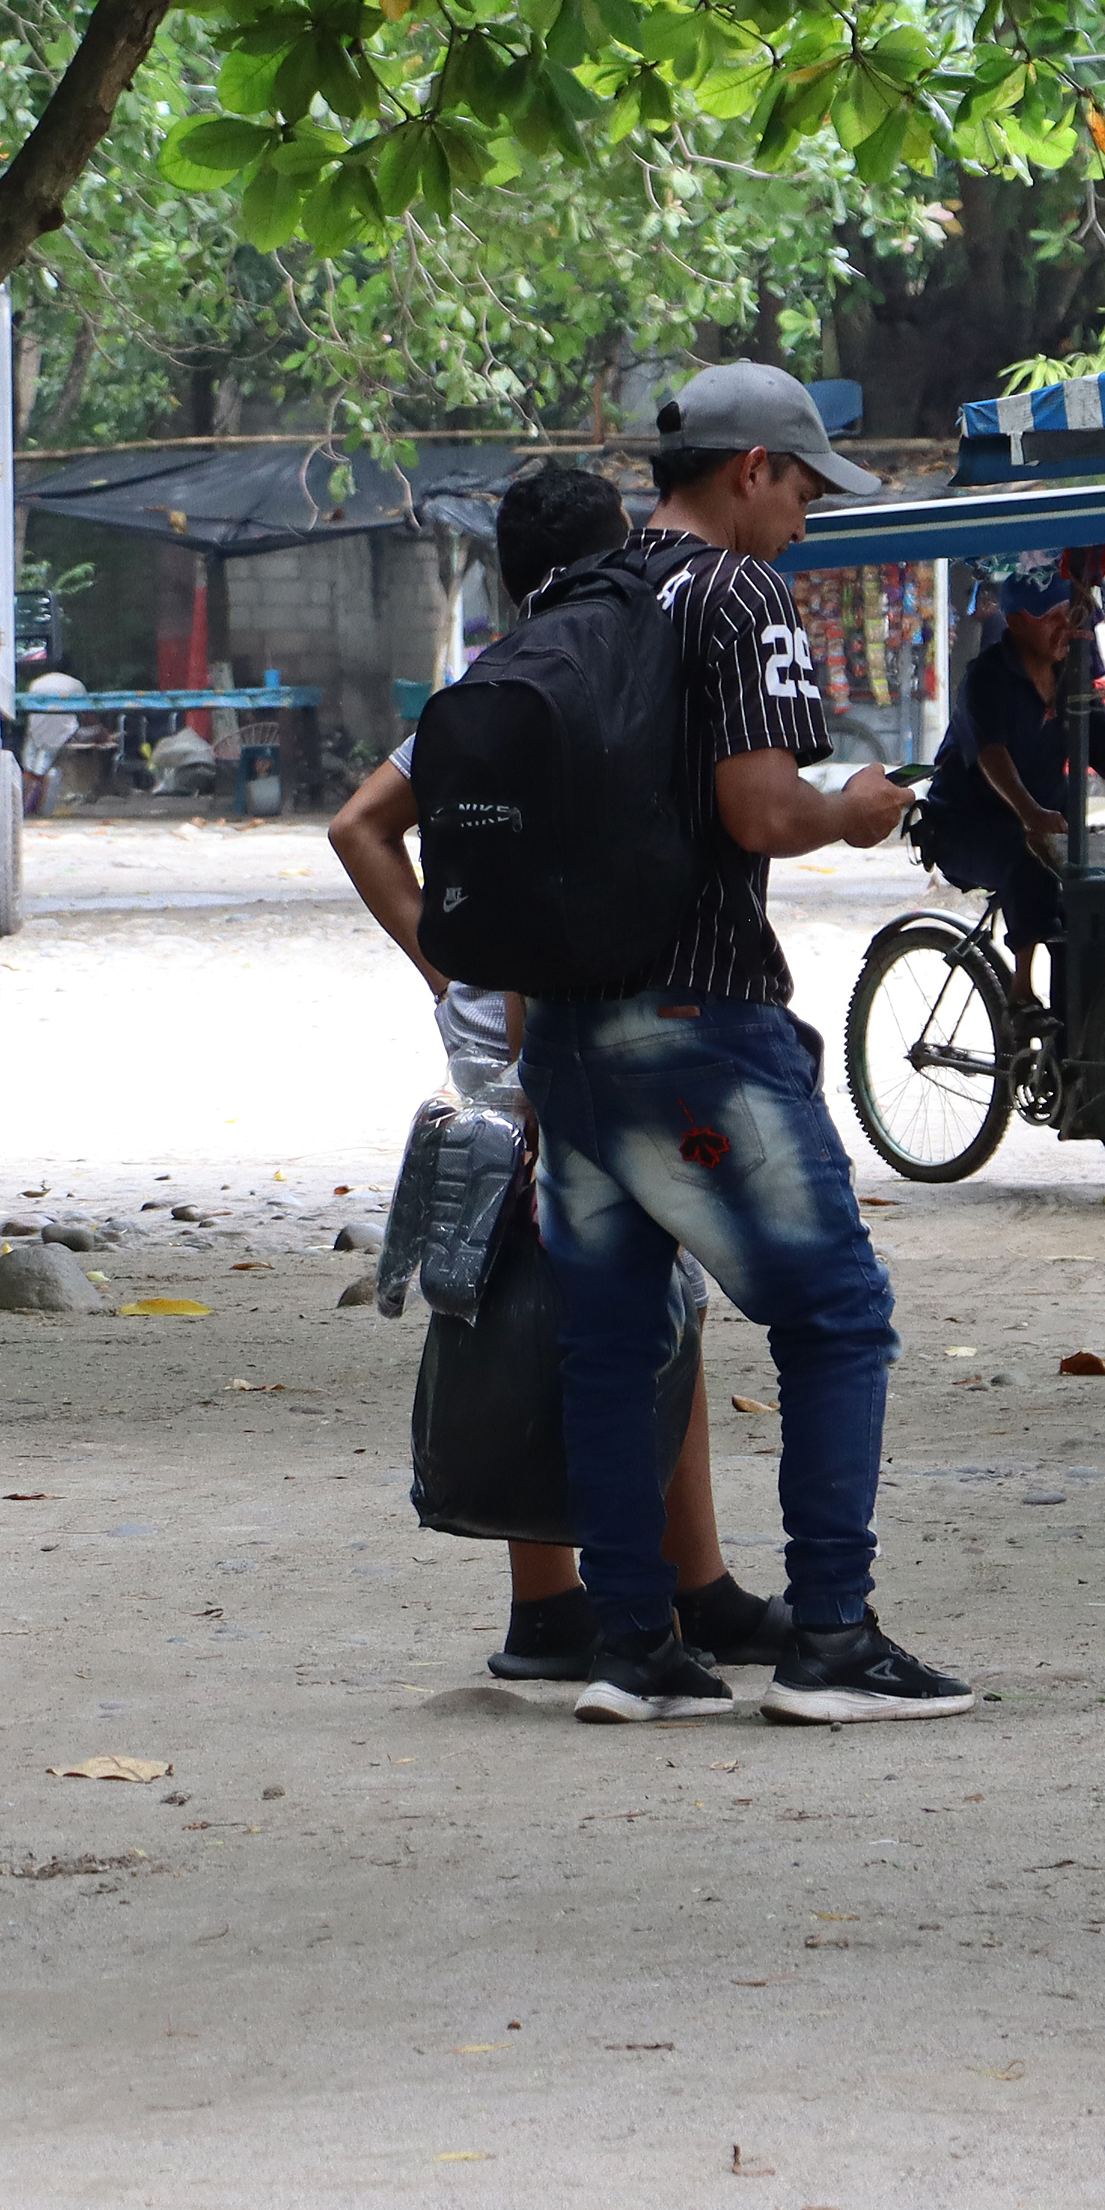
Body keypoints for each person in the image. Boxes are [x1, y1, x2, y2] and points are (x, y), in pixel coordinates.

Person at [520, 361, 973, 1727]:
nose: (806, 519)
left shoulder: (580, 592)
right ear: (751, 470)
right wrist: (860, 806)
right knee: (837, 1315)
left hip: (569, 1032)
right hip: (699, 1019)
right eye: (802, 488)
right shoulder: (736, 595)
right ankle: (831, 1635)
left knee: (610, 1345)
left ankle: (634, 1644)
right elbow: (763, 809)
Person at [328, 462, 793, 1682]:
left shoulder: (484, 691)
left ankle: (617, 1593)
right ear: (619, 553)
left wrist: (447, 963)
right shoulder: (599, 685)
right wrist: (533, 1044)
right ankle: (633, 1599)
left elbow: (357, 825)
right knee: (628, 1307)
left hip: (497, 1028)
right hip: (559, 1033)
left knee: (544, 1299)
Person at [921, 569, 1105, 1006]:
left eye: (1066, 616)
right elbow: (990, 753)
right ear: (1016, 622)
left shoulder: (1071, 679)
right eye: (1051, 618)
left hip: (1045, 818)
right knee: (1028, 855)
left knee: (1096, 877)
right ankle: (1021, 990)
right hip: (965, 826)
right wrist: (1030, 812)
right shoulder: (985, 678)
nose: (1064, 628)